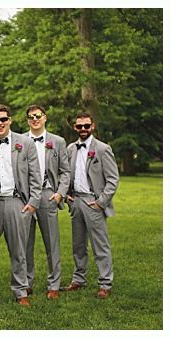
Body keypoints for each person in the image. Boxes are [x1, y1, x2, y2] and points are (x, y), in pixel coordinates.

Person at [0, 104, 41, 307]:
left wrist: (32, 203)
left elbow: (35, 175)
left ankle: (21, 291)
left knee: (19, 251)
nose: (0, 123)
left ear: (10, 120)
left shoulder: (25, 143)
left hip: (16, 202)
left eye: (3, 119)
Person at [63, 112, 119, 299]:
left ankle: (105, 283)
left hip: (93, 202)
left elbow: (113, 180)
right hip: (76, 202)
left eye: (86, 126)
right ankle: (78, 279)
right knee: (78, 244)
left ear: (92, 126)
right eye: (79, 126)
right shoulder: (70, 149)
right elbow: (66, 174)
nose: (83, 129)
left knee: (100, 245)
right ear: (75, 127)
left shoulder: (103, 149)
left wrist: (101, 202)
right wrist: (67, 195)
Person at [23, 105, 70, 300]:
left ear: (45, 117)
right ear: (27, 120)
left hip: (47, 195)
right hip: (25, 197)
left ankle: (54, 284)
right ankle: (26, 282)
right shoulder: (20, 141)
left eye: (38, 116)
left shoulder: (57, 142)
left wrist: (59, 194)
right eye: (31, 117)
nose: (35, 119)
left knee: (52, 243)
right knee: (25, 243)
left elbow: (65, 171)